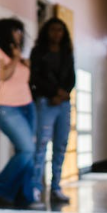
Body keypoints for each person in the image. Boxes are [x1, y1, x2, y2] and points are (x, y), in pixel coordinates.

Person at [0, 18, 39, 207]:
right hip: (6, 107)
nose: (20, 34)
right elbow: (2, 77)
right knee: (27, 150)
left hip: (27, 105)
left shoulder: (18, 55)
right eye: (15, 30)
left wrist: (25, 63)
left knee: (26, 152)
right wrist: (16, 59)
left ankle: (24, 196)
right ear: (6, 32)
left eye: (21, 30)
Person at [29, 17, 75, 203]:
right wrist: (54, 93)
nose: (57, 33)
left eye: (60, 30)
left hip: (63, 103)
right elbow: (35, 78)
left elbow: (72, 77)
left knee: (61, 146)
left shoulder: (67, 52)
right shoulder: (38, 52)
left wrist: (63, 94)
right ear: (46, 32)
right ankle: (35, 188)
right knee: (41, 145)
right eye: (53, 29)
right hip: (45, 102)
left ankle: (56, 187)